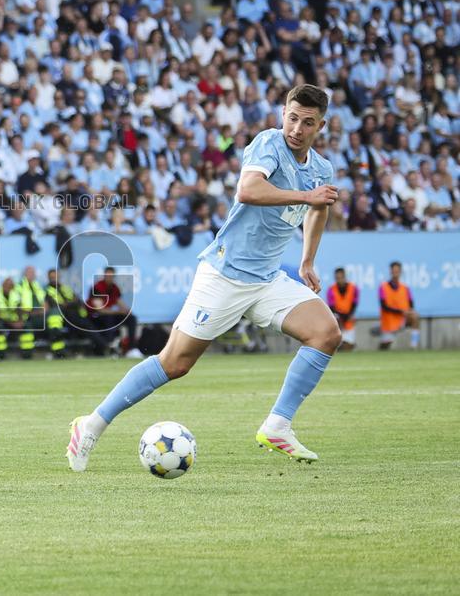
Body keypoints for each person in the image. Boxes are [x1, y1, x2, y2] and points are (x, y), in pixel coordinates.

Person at [67, 85, 341, 470]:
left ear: (321, 126)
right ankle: (91, 425)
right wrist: (305, 198)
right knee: (174, 363)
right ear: (283, 113)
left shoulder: (320, 169)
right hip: (225, 274)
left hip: (265, 279)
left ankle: (278, 425)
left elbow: (319, 208)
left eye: (307, 122)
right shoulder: (268, 143)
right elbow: (248, 190)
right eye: (292, 117)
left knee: (326, 333)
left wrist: (307, 259)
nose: (296, 128)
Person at [378, 261, 420, 350]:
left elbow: (411, 305)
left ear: (401, 272)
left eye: (397, 271)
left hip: (402, 320)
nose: (395, 273)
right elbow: (384, 306)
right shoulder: (383, 287)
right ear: (390, 271)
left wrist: (409, 312)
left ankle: (414, 345)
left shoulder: (405, 288)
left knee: (415, 316)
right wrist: (401, 311)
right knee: (385, 346)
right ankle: (382, 340)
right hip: (389, 322)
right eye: (394, 270)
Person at [326, 267, 358, 351]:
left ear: (344, 276)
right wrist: (340, 316)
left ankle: (346, 345)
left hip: (348, 319)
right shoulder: (331, 289)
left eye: (341, 277)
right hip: (337, 320)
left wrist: (348, 315)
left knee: (349, 344)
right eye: (337, 278)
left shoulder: (353, 288)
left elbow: (354, 303)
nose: (339, 280)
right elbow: (331, 306)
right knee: (336, 343)